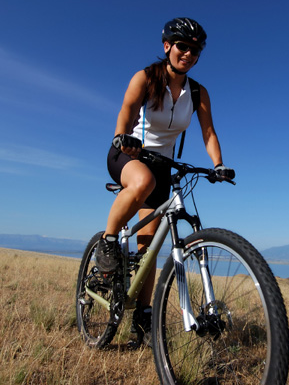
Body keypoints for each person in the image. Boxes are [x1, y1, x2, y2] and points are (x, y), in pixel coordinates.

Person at [95, 17, 234, 346]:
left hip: (163, 166)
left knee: (148, 250)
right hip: (128, 154)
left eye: (195, 50)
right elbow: (127, 110)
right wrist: (122, 137)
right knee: (140, 181)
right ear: (167, 46)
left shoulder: (198, 92)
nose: (188, 54)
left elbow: (209, 132)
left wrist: (219, 164)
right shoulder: (146, 77)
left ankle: (141, 320)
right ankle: (108, 243)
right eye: (182, 47)